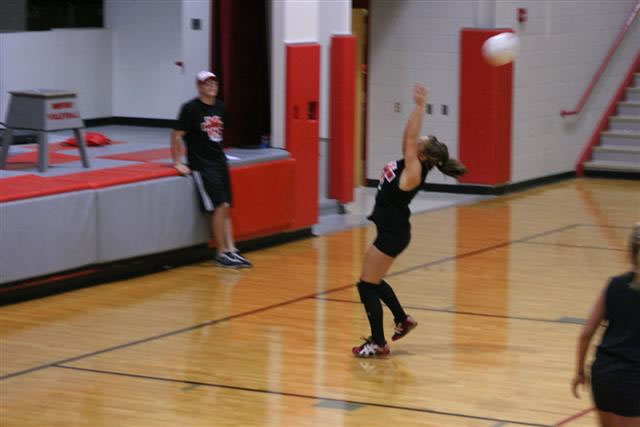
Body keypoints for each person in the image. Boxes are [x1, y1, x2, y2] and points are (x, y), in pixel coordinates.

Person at [352, 83, 467, 357]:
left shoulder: (414, 170)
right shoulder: (413, 162)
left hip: (393, 233)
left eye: (419, 144)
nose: (414, 142)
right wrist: (417, 108)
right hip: (393, 230)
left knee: (366, 285)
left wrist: (420, 106)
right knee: (372, 281)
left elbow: (410, 138)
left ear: (422, 155)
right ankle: (403, 319)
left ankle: (378, 342)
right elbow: (408, 136)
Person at [171, 70, 251, 268]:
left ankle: (232, 249)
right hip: (203, 164)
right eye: (207, 84)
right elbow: (177, 135)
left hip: (219, 162)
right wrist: (177, 162)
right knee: (220, 205)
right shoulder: (190, 109)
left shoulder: (220, 107)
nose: (212, 87)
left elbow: (218, 135)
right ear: (199, 87)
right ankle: (221, 252)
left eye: (214, 83)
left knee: (227, 206)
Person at [572, 224, 640, 427]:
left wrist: (579, 372)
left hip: (603, 373)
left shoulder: (614, 284)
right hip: (632, 379)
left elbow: (586, 333)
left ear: (629, 253)